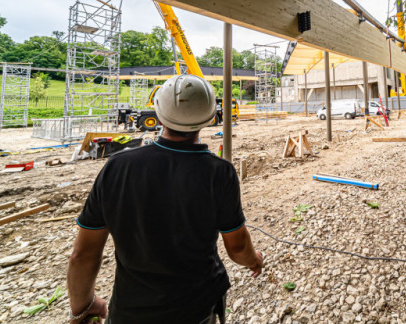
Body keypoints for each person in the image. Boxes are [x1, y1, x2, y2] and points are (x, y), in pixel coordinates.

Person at [67, 74, 263, 324]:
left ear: (159, 114)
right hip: (196, 308)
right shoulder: (219, 172)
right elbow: (236, 248)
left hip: (130, 311)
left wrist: (82, 307)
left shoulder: (118, 167)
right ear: (209, 118)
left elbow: (82, 255)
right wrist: (254, 260)